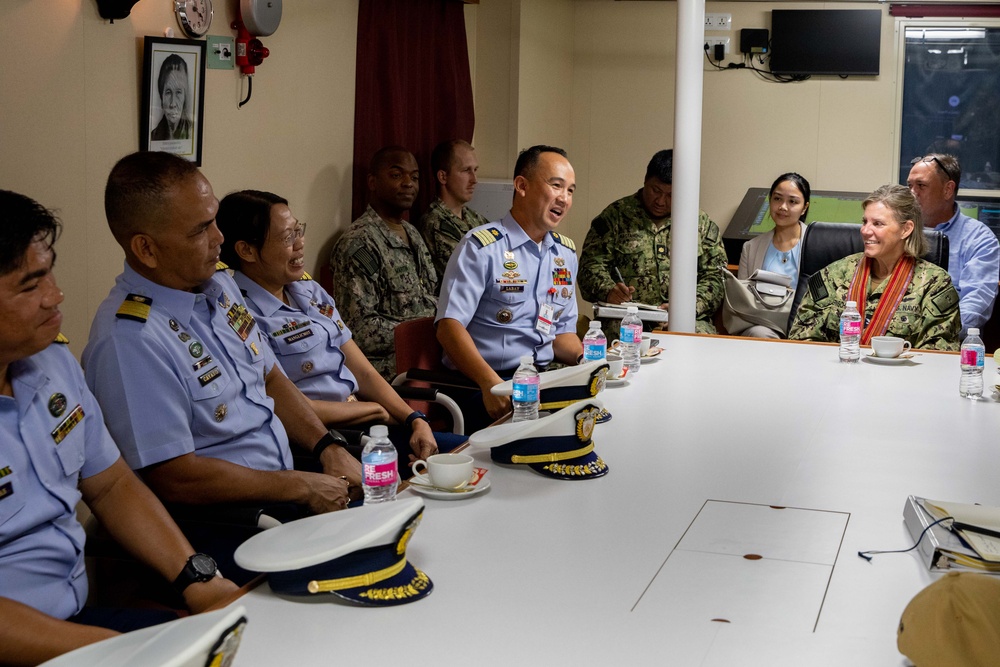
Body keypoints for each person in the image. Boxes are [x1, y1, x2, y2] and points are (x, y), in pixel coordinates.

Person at [82, 152, 361, 578]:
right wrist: (300, 486)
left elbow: (270, 377)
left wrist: (327, 447)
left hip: (286, 486)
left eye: (214, 219)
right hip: (226, 526)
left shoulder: (221, 286)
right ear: (146, 248)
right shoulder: (130, 338)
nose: (219, 237)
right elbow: (176, 477)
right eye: (200, 229)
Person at [0, 190, 238, 666]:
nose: (56, 296)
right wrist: (118, 652)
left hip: (81, 626)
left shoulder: (50, 363)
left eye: (49, 273)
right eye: (30, 286)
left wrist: (200, 581)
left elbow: (110, 485)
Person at [216, 190, 464, 470]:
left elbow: (365, 372)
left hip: (368, 422)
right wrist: (368, 410)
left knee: (464, 454)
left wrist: (414, 420)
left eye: (299, 230)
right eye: (287, 237)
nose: (300, 244)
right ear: (246, 250)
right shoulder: (240, 314)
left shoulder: (308, 291)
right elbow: (282, 404)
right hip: (328, 439)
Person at [436, 145, 583, 426]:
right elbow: (448, 327)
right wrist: (489, 383)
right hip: (485, 382)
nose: (564, 199)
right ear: (522, 185)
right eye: (556, 186)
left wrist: (586, 360)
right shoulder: (482, 247)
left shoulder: (564, 254)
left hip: (539, 378)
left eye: (571, 191)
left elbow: (562, 333)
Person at [788, 184, 960, 350]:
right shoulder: (835, 273)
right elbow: (801, 340)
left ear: (906, 229)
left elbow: (938, 355)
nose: (865, 230)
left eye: (877, 224)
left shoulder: (934, 284)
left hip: (899, 377)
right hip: (837, 374)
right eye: (865, 222)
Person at [578, 149, 728, 337]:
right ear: (645, 180)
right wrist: (609, 290)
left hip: (686, 318)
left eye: (671, 195)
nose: (660, 201)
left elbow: (716, 276)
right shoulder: (616, 217)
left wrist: (688, 307)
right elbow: (590, 265)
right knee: (616, 342)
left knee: (699, 342)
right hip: (625, 317)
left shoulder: (699, 223)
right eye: (655, 191)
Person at [329, 146, 438, 380]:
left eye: (415, 177)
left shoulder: (412, 232)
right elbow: (359, 329)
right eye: (397, 175)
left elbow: (429, 296)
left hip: (428, 351)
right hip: (388, 369)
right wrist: (431, 330)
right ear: (372, 182)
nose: (409, 183)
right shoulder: (359, 243)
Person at [907, 153, 999, 335]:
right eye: (909, 185)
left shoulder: (979, 239)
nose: (911, 193)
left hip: (945, 342)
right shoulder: (896, 231)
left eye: (921, 186)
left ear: (948, 190)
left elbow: (974, 307)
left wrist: (934, 335)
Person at [736, 172, 811, 338]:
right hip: (764, 324)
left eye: (792, 201)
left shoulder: (816, 245)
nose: (783, 207)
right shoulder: (751, 247)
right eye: (777, 199)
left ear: (804, 207)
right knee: (758, 333)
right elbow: (742, 299)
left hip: (805, 323)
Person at [419, 140, 490, 279]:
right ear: (443, 177)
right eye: (466, 170)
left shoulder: (475, 218)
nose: (474, 179)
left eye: (475, 170)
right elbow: (469, 274)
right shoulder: (434, 223)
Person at [150, 54, 192, 142]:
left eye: (178, 92)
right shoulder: (153, 137)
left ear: (185, 96)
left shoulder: (193, 134)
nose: (172, 104)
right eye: (168, 93)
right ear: (161, 97)